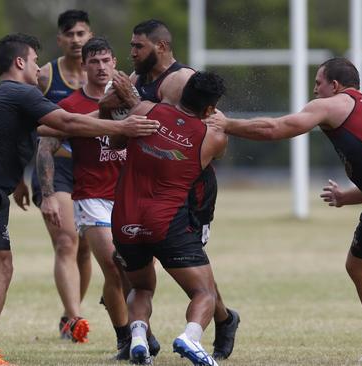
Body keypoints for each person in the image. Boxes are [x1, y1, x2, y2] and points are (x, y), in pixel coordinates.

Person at [0, 33, 159, 366]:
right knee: (1, 268)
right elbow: (68, 121)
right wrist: (126, 126)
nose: (38, 67)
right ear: (20, 62)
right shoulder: (21, 91)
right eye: (34, 60)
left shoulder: (3, 95)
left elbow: (41, 131)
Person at [207, 57, 362, 362]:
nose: (314, 89)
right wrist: (347, 197)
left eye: (318, 82)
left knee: (359, 266)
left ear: (334, 85)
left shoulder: (333, 103)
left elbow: (277, 127)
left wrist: (227, 124)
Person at [103, 18, 240, 360]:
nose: (131, 53)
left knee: (187, 272)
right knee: (195, 281)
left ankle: (223, 320)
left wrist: (133, 105)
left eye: (139, 46)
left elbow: (205, 127)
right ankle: (177, 333)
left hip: (186, 195)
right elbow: (115, 126)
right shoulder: (137, 82)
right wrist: (116, 103)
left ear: (160, 46)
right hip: (156, 198)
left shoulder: (179, 80)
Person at [37, 37, 162, 358]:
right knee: (113, 263)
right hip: (90, 195)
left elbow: (158, 128)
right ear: (85, 65)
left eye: (107, 60)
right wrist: (48, 194)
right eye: (94, 61)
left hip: (130, 195)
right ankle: (130, 337)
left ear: (114, 62)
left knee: (133, 271)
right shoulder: (70, 107)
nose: (101, 67)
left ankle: (133, 331)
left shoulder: (131, 98)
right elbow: (46, 145)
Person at [25, 9, 94, 340]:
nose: (77, 40)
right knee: (67, 241)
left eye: (82, 33)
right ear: (60, 39)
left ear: (90, 36)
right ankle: (77, 321)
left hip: (93, 167)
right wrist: (16, 177)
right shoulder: (45, 76)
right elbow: (22, 124)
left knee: (84, 248)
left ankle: (69, 314)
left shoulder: (105, 75)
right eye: (70, 34)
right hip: (55, 167)